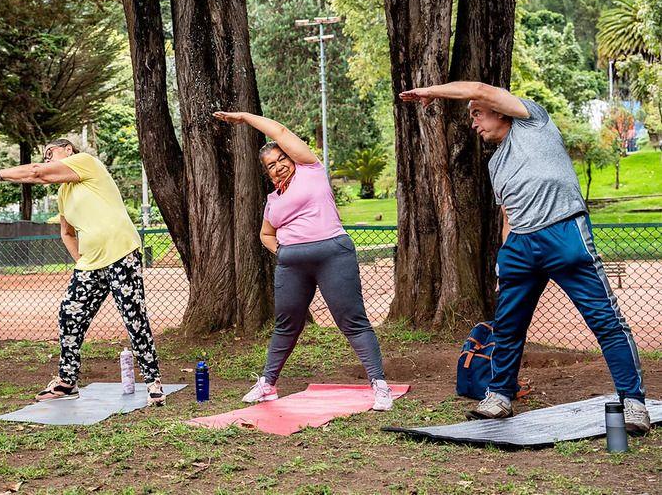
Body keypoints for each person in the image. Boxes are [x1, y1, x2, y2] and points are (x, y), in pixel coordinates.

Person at [400, 81, 650, 433]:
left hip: (563, 234)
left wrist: (433, 92)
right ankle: (500, 396)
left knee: (606, 322)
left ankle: (634, 402)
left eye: (478, 114)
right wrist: (505, 259)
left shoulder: (533, 121)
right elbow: (508, 214)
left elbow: (478, 87)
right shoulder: (494, 166)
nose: (473, 122)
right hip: (519, 246)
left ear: (499, 110)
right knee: (508, 327)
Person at [212, 111, 393, 411]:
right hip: (292, 264)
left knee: (352, 321)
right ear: (267, 174)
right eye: (271, 166)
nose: (279, 166)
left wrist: (245, 118)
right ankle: (268, 384)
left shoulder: (311, 169)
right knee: (287, 324)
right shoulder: (273, 201)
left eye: (282, 159)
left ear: (292, 157)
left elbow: (281, 130)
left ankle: (379, 385)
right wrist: (283, 253)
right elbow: (265, 234)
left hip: (332, 254)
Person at [0, 139, 166, 405]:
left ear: (69, 151)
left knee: (134, 317)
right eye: (45, 154)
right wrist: (80, 261)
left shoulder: (86, 163)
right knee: (69, 315)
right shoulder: (63, 192)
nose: (47, 158)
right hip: (90, 265)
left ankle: (153, 382)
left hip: (121, 252)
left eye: (51, 153)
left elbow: (37, 172)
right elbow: (66, 231)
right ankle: (67, 381)